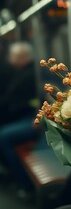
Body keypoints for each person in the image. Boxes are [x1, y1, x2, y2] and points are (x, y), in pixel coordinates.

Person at [0, 41, 39, 198]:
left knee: (3, 136)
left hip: (33, 119)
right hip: (29, 115)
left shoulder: (28, 75)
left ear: (23, 57)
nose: (10, 60)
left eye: (13, 56)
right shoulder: (21, 72)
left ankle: (25, 183)